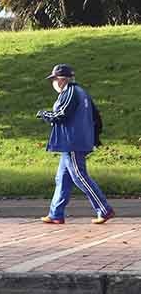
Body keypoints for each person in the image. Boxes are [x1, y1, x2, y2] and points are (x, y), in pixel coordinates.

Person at [37, 64, 114, 225]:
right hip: (75, 141)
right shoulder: (81, 92)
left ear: (62, 79)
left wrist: (45, 114)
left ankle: (104, 209)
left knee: (80, 177)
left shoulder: (70, 92)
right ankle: (56, 213)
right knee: (62, 178)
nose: (53, 83)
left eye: (55, 79)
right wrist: (94, 138)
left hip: (72, 142)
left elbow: (61, 114)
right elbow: (96, 117)